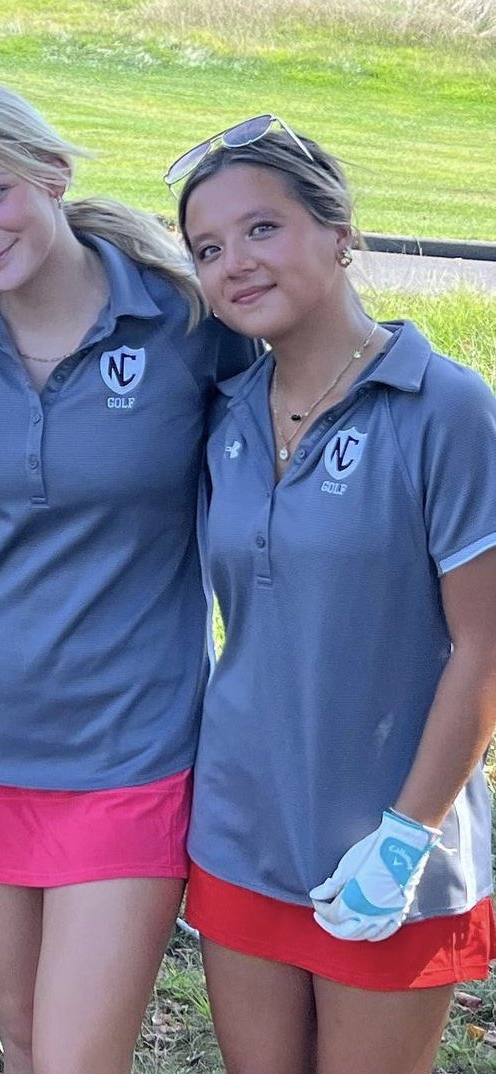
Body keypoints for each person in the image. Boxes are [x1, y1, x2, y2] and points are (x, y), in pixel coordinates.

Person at [0, 80, 251, 1074]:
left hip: (128, 749)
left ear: (50, 174)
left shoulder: (187, 317)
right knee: (21, 1037)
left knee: (79, 1057)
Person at [169, 115, 496, 1074]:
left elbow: (485, 645)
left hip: (390, 844)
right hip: (241, 827)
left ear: (341, 229)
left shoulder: (448, 409)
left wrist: (405, 838)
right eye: (208, 249)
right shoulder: (221, 416)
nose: (235, 263)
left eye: (262, 228)